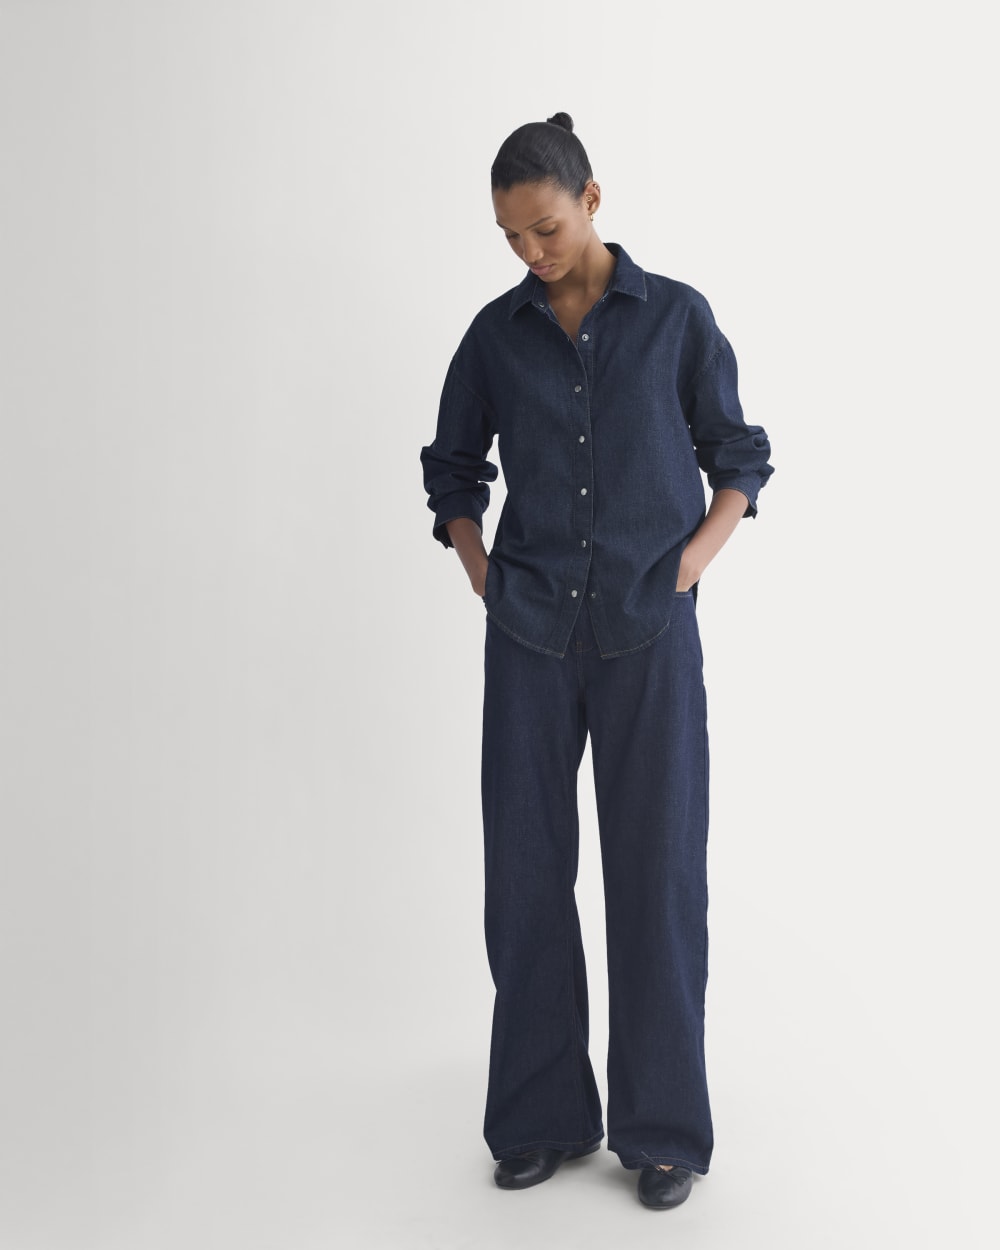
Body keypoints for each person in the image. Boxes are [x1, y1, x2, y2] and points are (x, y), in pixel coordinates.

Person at [419, 112, 773, 1211]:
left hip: (647, 631)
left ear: (592, 199)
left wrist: (689, 565)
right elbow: (451, 466)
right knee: (525, 874)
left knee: (657, 875)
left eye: (547, 227)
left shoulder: (676, 318)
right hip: (529, 634)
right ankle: (540, 1116)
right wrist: (480, 568)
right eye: (510, 236)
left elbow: (738, 454)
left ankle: (662, 1129)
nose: (531, 251)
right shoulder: (494, 335)